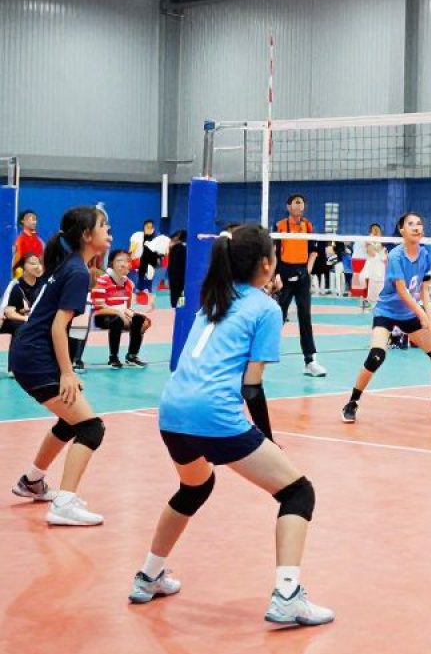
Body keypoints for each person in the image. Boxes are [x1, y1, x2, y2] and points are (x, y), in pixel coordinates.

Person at [131, 224, 333, 625]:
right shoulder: (265, 308)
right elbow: (252, 387)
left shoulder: (214, 300)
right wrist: (270, 442)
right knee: (297, 492)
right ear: (266, 263)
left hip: (171, 411)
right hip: (213, 414)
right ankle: (288, 595)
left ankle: (149, 575)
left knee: (195, 487)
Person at [8, 206, 111, 525]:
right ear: (86, 236)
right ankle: (64, 504)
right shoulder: (77, 271)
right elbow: (57, 327)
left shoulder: (72, 265)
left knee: (70, 421)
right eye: (103, 225)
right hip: (36, 356)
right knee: (91, 427)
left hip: (30, 353)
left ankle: (32, 482)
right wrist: (67, 372)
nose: (109, 230)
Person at [341, 212, 431, 423]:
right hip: (386, 312)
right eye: (411, 224)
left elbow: (424, 290)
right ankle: (352, 402)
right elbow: (402, 291)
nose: (416, 227)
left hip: (409, 313)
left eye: (419, 224)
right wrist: (422, 315)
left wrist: (429, 318)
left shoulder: (425, 254)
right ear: (402, 230)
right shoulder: (396, 256)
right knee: (376, 355)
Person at [274, 194, 324, 377]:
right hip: (284, 273)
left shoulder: (308, 225)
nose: (299, 205)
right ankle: (256, 355)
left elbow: (314, 250)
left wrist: (308, 270)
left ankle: (310, 361)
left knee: (305, 317)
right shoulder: (279, 225)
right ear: (288, 207)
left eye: (301, 202)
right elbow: (275, 252)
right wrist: (277, 274)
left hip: (302, 274)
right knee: (277, 316)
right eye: (295, 202)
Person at [91, 249, 152, 368]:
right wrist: (119, 313)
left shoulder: (129, 283)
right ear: (111, 263)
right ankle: (113, 358)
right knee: (116, 320)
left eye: (126, 261)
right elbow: (98, 308)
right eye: (119, 260)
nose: (123, 264)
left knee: (139, 319)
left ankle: (132, 356)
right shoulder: (102, 280)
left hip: (121, 315)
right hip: (102, 317)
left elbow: (126, 307)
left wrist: (140, 318)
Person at [2, 252, 44, 342]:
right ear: (23, 266)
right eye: (33, 263)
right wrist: (27, 318)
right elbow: (9, 313)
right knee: (21, 327)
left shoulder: (43, 285)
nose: (37, 266)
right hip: (12, 319)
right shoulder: (16, 286)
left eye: (39, 263)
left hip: (33, 319)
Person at [362, 224, 388, 307]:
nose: (376, 231)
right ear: (371, 230)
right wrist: (374, 245)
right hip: (371, 265)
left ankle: (379, 302)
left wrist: (378, 246)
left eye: (377, 229)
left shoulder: (382, 240)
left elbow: (383, 253)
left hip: (381, 265)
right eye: (374, 229)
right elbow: (371, 253)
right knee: (370, 282)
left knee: (381, 283)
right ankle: (368, 301)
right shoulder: (368, 240)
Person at [13, 209, 45, 274]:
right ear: (22, 221)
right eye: (30, 219)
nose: (34, 222)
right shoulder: (19, 241)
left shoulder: (40, 242)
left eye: (34, 219)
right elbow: (15, 264)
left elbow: (43, 261)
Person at [166, 229, 187, 308]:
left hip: (176, 274)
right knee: (179, 291)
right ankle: (179, 305)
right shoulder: (177, 248)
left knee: (177, 291)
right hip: (178, 274)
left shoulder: (179, 248)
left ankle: (176, 305)